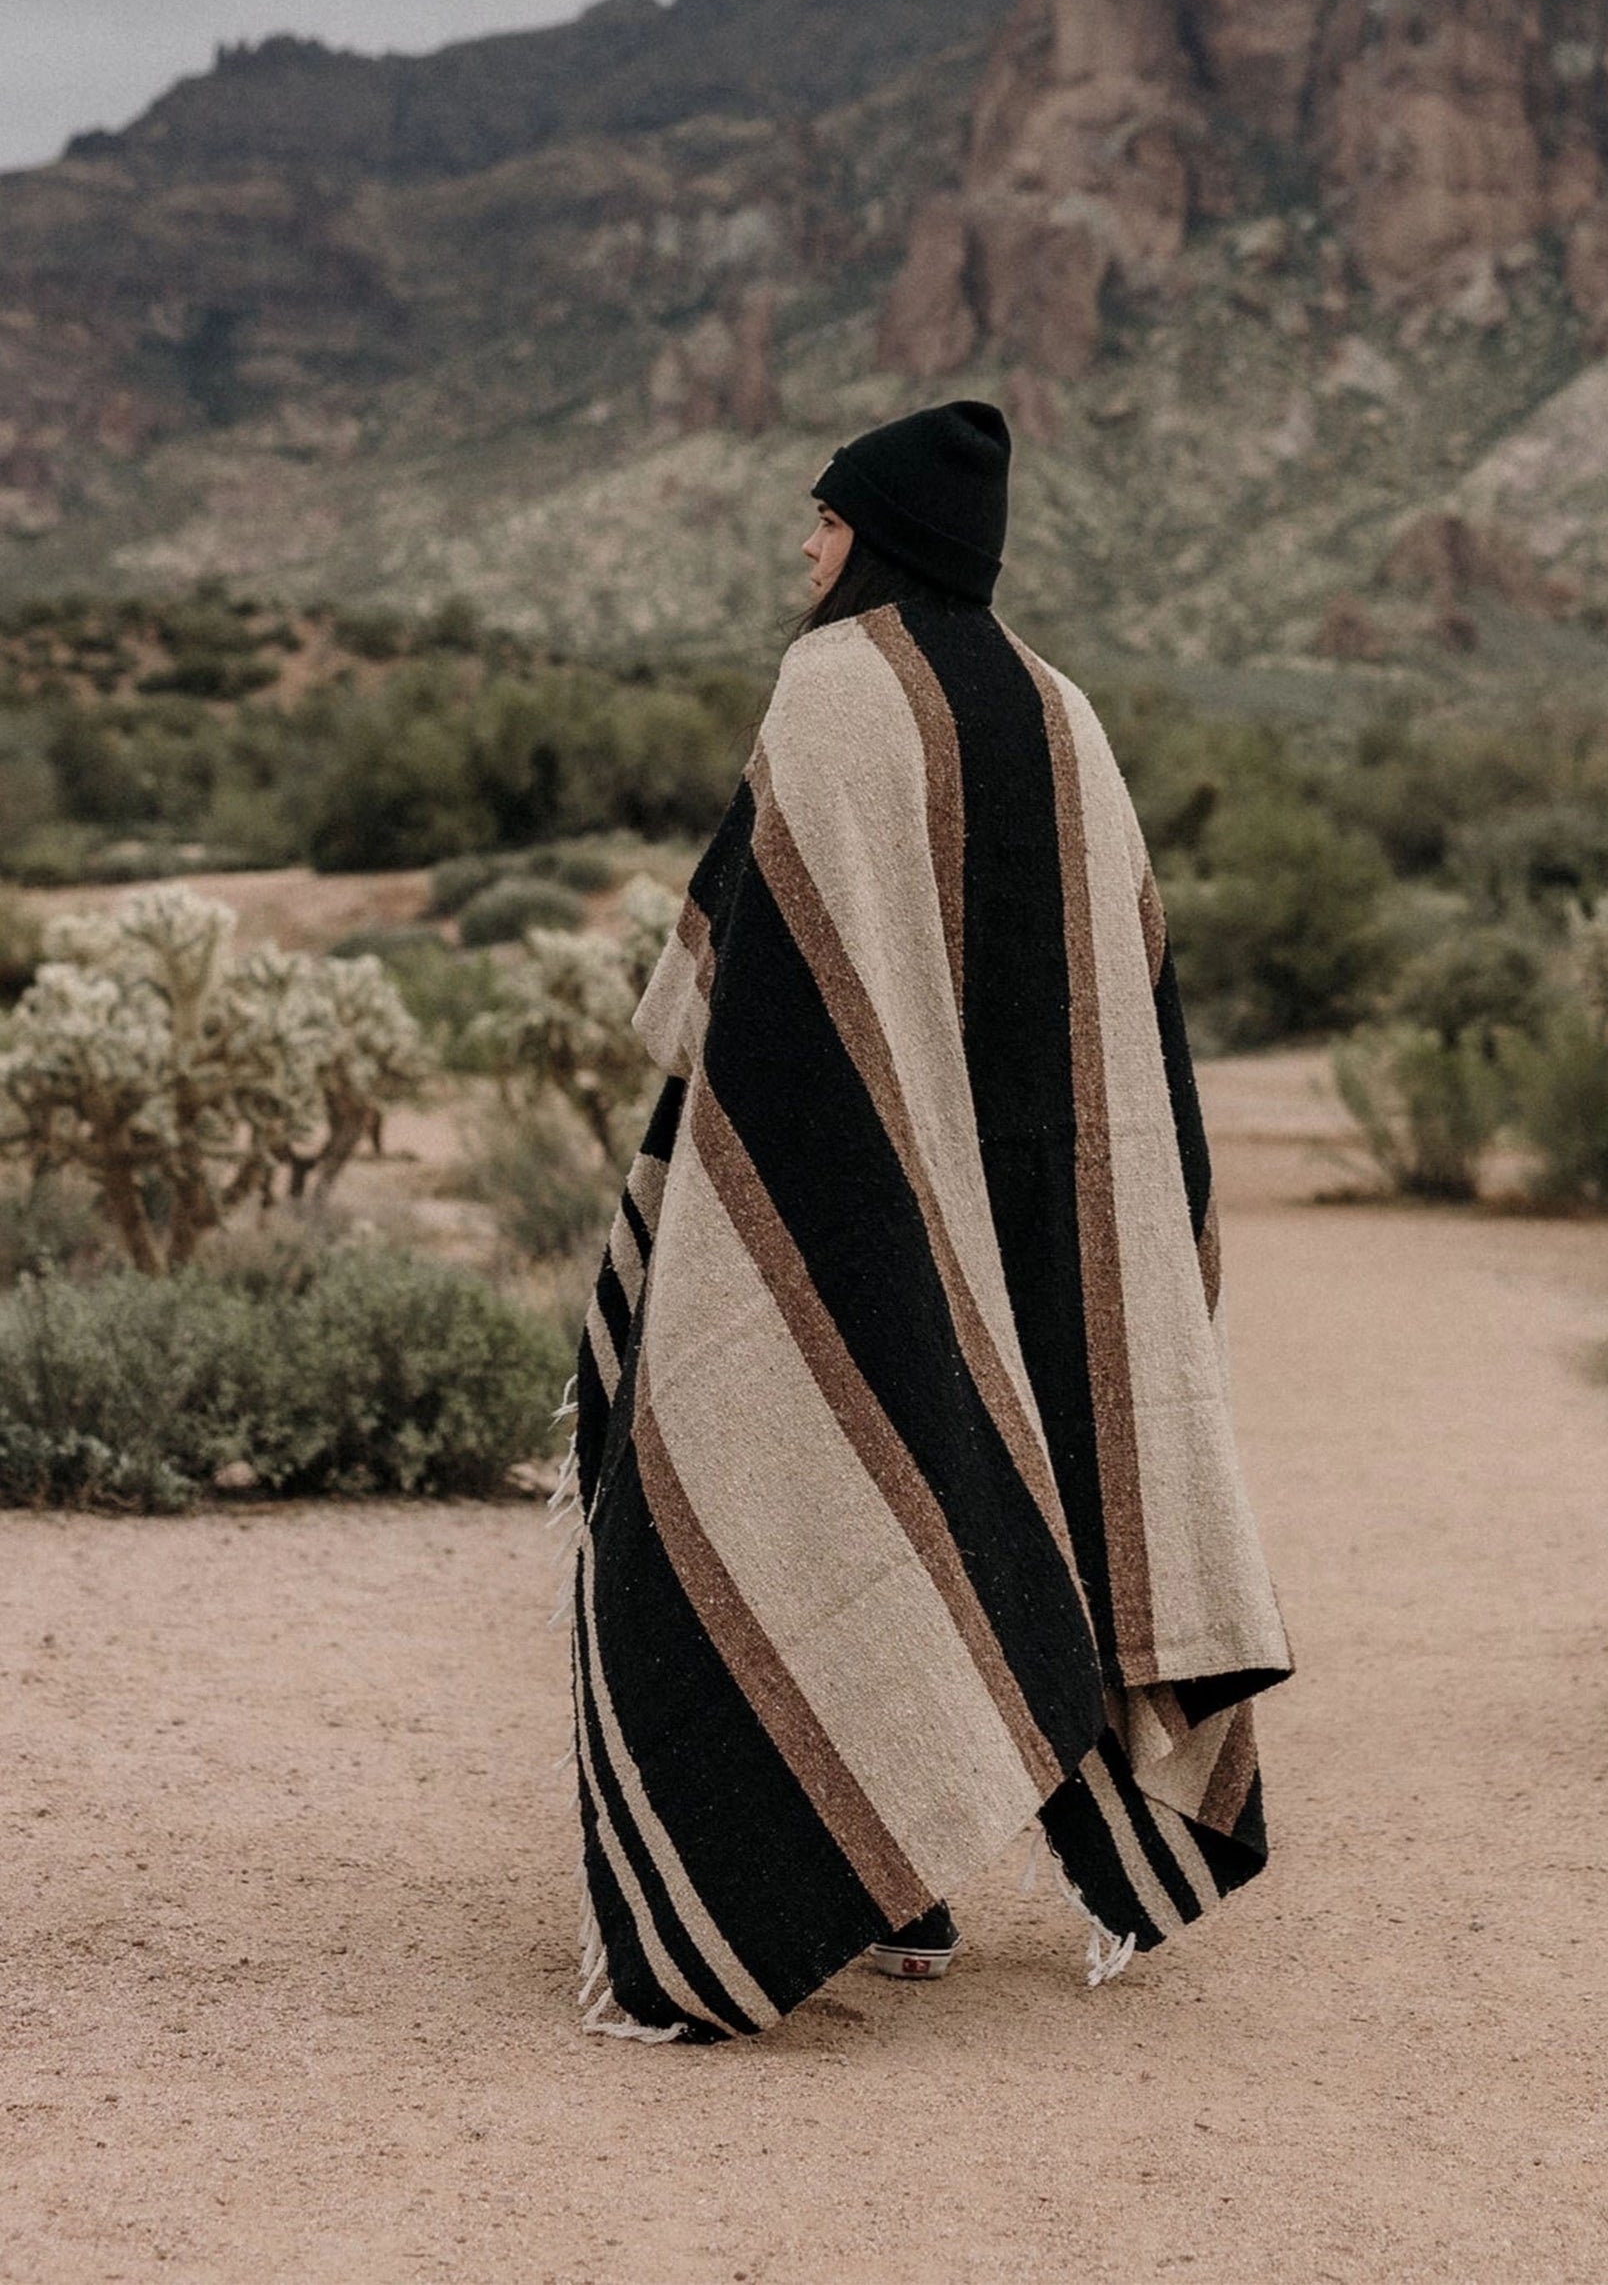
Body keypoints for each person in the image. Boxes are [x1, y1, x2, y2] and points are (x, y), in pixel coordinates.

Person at [562, 399, 1291, 2043]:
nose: (799, 551)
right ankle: (907, 1870)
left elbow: (754, 967)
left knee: (826, 1478)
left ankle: (856, 1879)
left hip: (858, 1192)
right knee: (1009, 1493)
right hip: (1051, 1222)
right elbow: (1133, 992)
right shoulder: (1065, 709)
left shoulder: (832, 689)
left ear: (875, 536)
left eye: (819, 525)